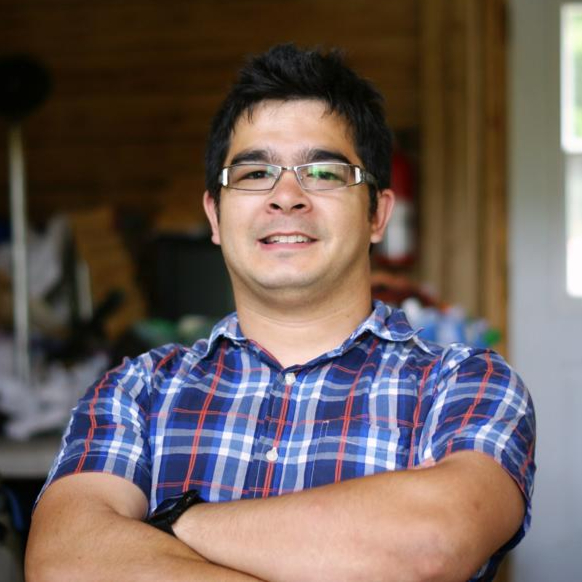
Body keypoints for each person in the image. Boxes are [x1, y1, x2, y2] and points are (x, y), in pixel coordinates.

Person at [25, 43, 535, 582]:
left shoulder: (466, 383)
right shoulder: (137, 391)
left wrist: (171, 524)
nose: (286, 197)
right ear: (215, 216)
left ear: (377, 215)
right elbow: (63, 561)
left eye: (324, 173)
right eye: (253, 174)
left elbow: (430, 542)